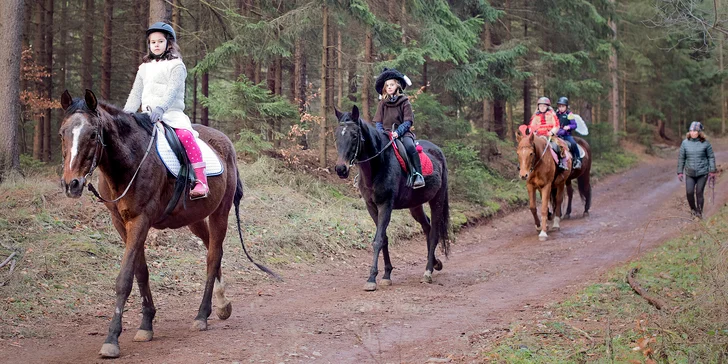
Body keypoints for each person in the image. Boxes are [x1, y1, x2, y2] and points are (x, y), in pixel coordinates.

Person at [124, 22, 209, 199]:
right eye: (152, 41)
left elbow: (172, 90)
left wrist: (161, 108)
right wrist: (126, 114)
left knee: (186, 136)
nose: (155, 44)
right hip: (147, 116)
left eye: (160, 41)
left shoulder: (177, 65)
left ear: (169, 43)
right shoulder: (144, 68)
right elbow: (136, 93)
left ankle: (201, 181)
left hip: (171, 114)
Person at [372, 68, 425, 189]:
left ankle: (417, 174)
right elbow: (378, 122)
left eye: (392, 84)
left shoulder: (405, 101)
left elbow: (408, 121)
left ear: (397, 85)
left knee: (410, 147)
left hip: (403, 134)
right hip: (385, 134)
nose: (389, 87)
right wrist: (380, 133)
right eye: (387, 85)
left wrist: (397, 132)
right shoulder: (382, 103)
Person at [677, 121, 717, 219]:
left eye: (694, 131)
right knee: (689, 192)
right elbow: (681, 158)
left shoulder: (706, 143)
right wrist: (680, 171)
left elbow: (711, 157)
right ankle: (693, 210)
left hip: (702, 173)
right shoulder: (685, 143)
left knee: (699, 192)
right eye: (691, 130)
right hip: (690, 173)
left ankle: (699, 213)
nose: (692, 132)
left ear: (699, 132)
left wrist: (712, 170)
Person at [528, 97, 569, 169]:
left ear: (547, 106)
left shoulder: (552, 114)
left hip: (549, 135)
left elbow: (556, 125)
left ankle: (562, 162)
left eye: (544, 106)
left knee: (558, 146)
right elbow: (531, 126)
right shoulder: (535, 116)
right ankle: (528, 164)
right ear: (538, 107)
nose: (542, 108)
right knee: (529, 148)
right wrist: (533, 132)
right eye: (540, 106)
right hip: (538, 136)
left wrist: (552, 132)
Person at [555, 97, 581, 169]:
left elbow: (574, 125)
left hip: (566, 135)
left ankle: (577, 159)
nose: (561, 108)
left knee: (573, 143)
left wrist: (569, 127)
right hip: (557, 135)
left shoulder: (569, 114)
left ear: (566, 106)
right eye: (559, 106)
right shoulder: (556, 114)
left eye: (563, 106)